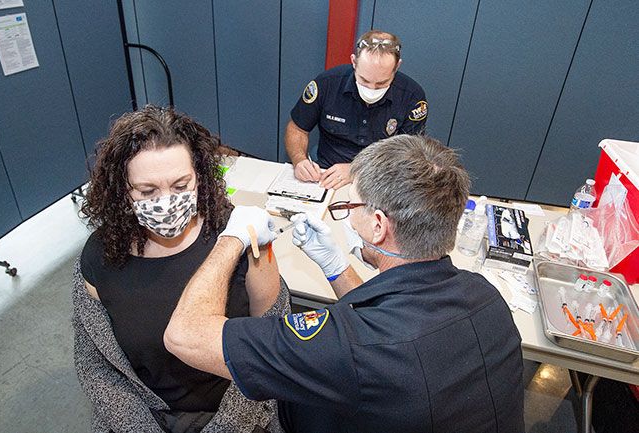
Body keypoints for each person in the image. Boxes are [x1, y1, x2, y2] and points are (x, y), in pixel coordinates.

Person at [164, 134, 525, 432]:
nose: (349, 220)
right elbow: (393, 327)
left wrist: (233, 237)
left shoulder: (347, 348)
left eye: (351, 208)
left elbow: (185, 335)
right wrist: (336, 267)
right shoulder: (486, 296)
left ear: (379, 226)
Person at [72, 105, 289, 433]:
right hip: (147, 418)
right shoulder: (99, 258)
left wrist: (225, 427)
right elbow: (96, 367)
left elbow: (274, 343)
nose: (166, 201)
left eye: (180, 185)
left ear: (200, 177)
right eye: (147, 191)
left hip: (236, 418)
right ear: (123, 190)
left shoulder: (239, 235)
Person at [285, 29, 428, 190]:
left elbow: (410, 156)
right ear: (354, 62)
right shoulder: (327, 84)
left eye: (382, 83)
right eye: (364, 80)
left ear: (397, 67)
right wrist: (299, 160)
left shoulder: (412, 97)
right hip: (325, 174)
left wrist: (356, 171)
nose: (372, 89)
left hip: (380, 179)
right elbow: (297, 128)